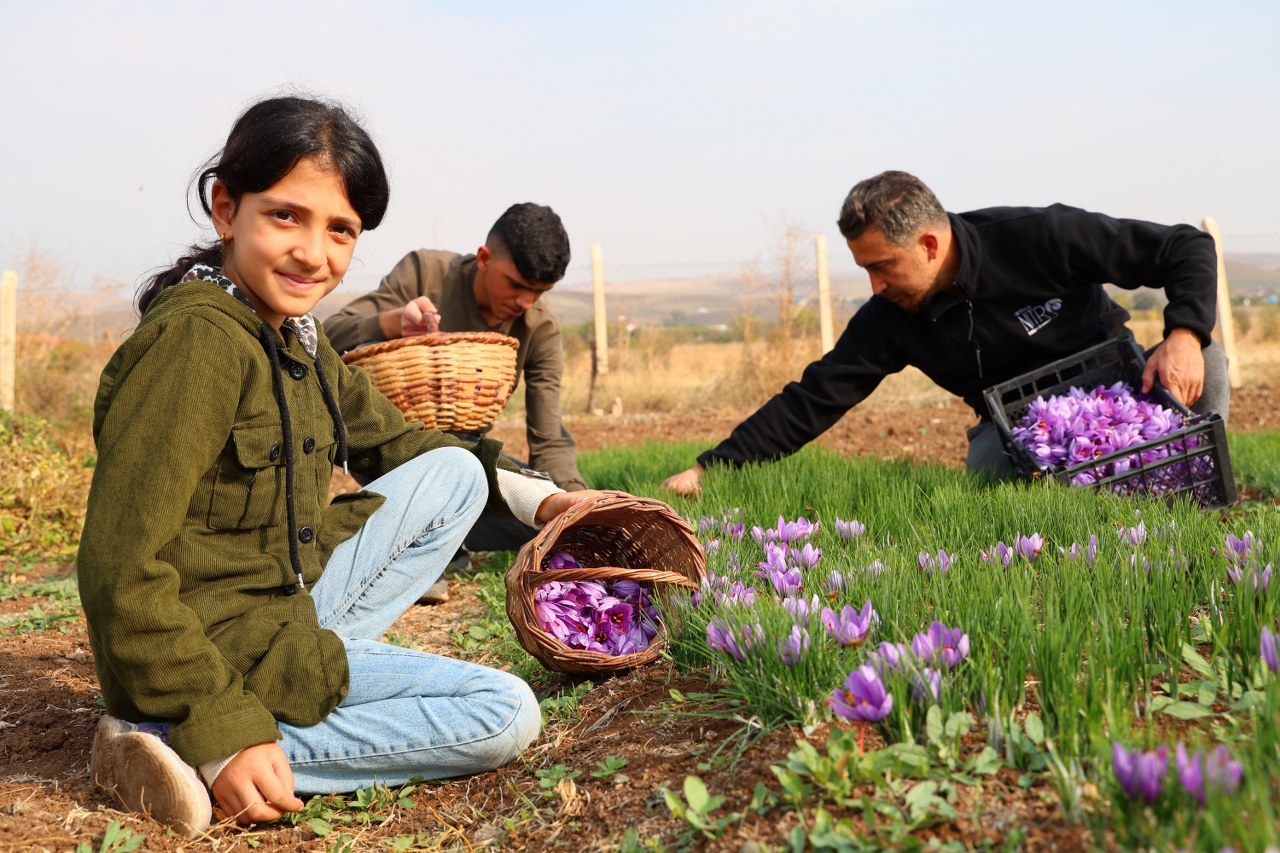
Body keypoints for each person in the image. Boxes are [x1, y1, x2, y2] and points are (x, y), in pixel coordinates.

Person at [77, 95, 613, 838]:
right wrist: (221, 723)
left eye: (340, 231)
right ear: (226, 209)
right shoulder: (197, 342)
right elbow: (119, 568)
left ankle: (280, 699)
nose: (314, 253)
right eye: (286, 217)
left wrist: (546, 500)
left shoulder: (295, 336)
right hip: (206, 647)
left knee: (455, 471)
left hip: (277, 609)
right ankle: (174, 744)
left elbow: (398, 443)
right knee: (505, 711)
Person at [663, 170, 1230, 495]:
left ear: (928, 245)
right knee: (987, 473)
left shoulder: (1037, 236)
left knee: (1212, 361)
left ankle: (1186, 485)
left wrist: (1183, 332)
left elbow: (1185, 247)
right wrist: (711, 468)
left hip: (1118, 390)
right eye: (864, 269)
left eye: (882, 265)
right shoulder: (891, 318)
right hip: (1021, 429)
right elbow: (815, 397)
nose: (875, 285)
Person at [325, 205, 586, 561]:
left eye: (539, 292)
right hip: (393, 451)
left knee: (540, 514)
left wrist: (577, 503)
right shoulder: (424, 272)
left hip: (473, 463)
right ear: (483, 258)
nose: (525, 302)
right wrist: (394, 322)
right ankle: (426, 539)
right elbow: (330, 334)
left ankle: (433, 540)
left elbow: (549, 434)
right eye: (516, 285)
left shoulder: (538, 328)